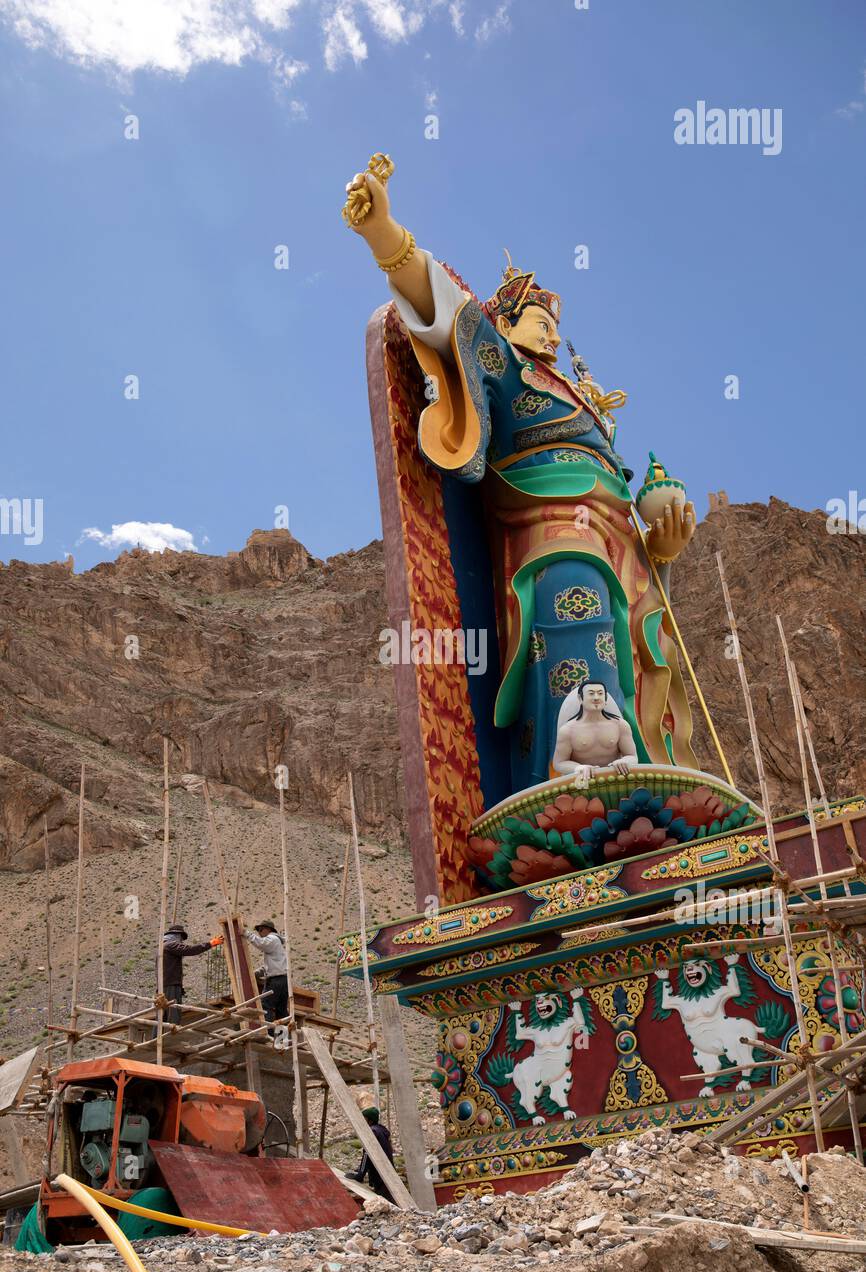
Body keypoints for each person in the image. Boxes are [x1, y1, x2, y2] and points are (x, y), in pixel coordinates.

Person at [344, 166, 699, 792]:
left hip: (619, 542)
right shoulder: (506, 368)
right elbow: (445, 310)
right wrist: (387, 240)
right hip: (554, 531)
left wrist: (660, 554)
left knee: (635, 654)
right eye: (540, 320)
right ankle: (575, 779)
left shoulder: (580, 400)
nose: (553, 334)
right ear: (505, 327)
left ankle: (638, 772)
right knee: (576, 638)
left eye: (555, 324)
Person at [161, 925, 217, 1023]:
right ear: (176, 936)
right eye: (181, 938)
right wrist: (210, 944)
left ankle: (160, 1035)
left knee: (163, 1013)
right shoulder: (171, 945)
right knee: (173, 1012)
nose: (181, 941)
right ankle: (173, 1033)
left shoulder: (162, 947)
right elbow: (190, 950)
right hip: (171, 984)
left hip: (165, 984)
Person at [345, 1106, 395, 1201]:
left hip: (380, 1176)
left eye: (364, 1119)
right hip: (389, 1174)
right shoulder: (381, 1131)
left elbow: (367, 1154)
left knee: (385, 1205)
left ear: (370, 1121)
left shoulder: (372, 1132)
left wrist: (360, 1175)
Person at [244, 921, 288, 1027]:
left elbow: (260, 943)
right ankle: (281, 1040)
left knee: (266, 1006)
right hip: (283, 980)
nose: (259, 932)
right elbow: (272, 965)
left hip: (275, 980)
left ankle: (269, 1035)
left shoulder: (272, 939)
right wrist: (258, 973)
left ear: (268, 929)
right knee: (281, 1011)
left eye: (260, 930)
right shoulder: (276, 944)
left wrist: (246, 933)